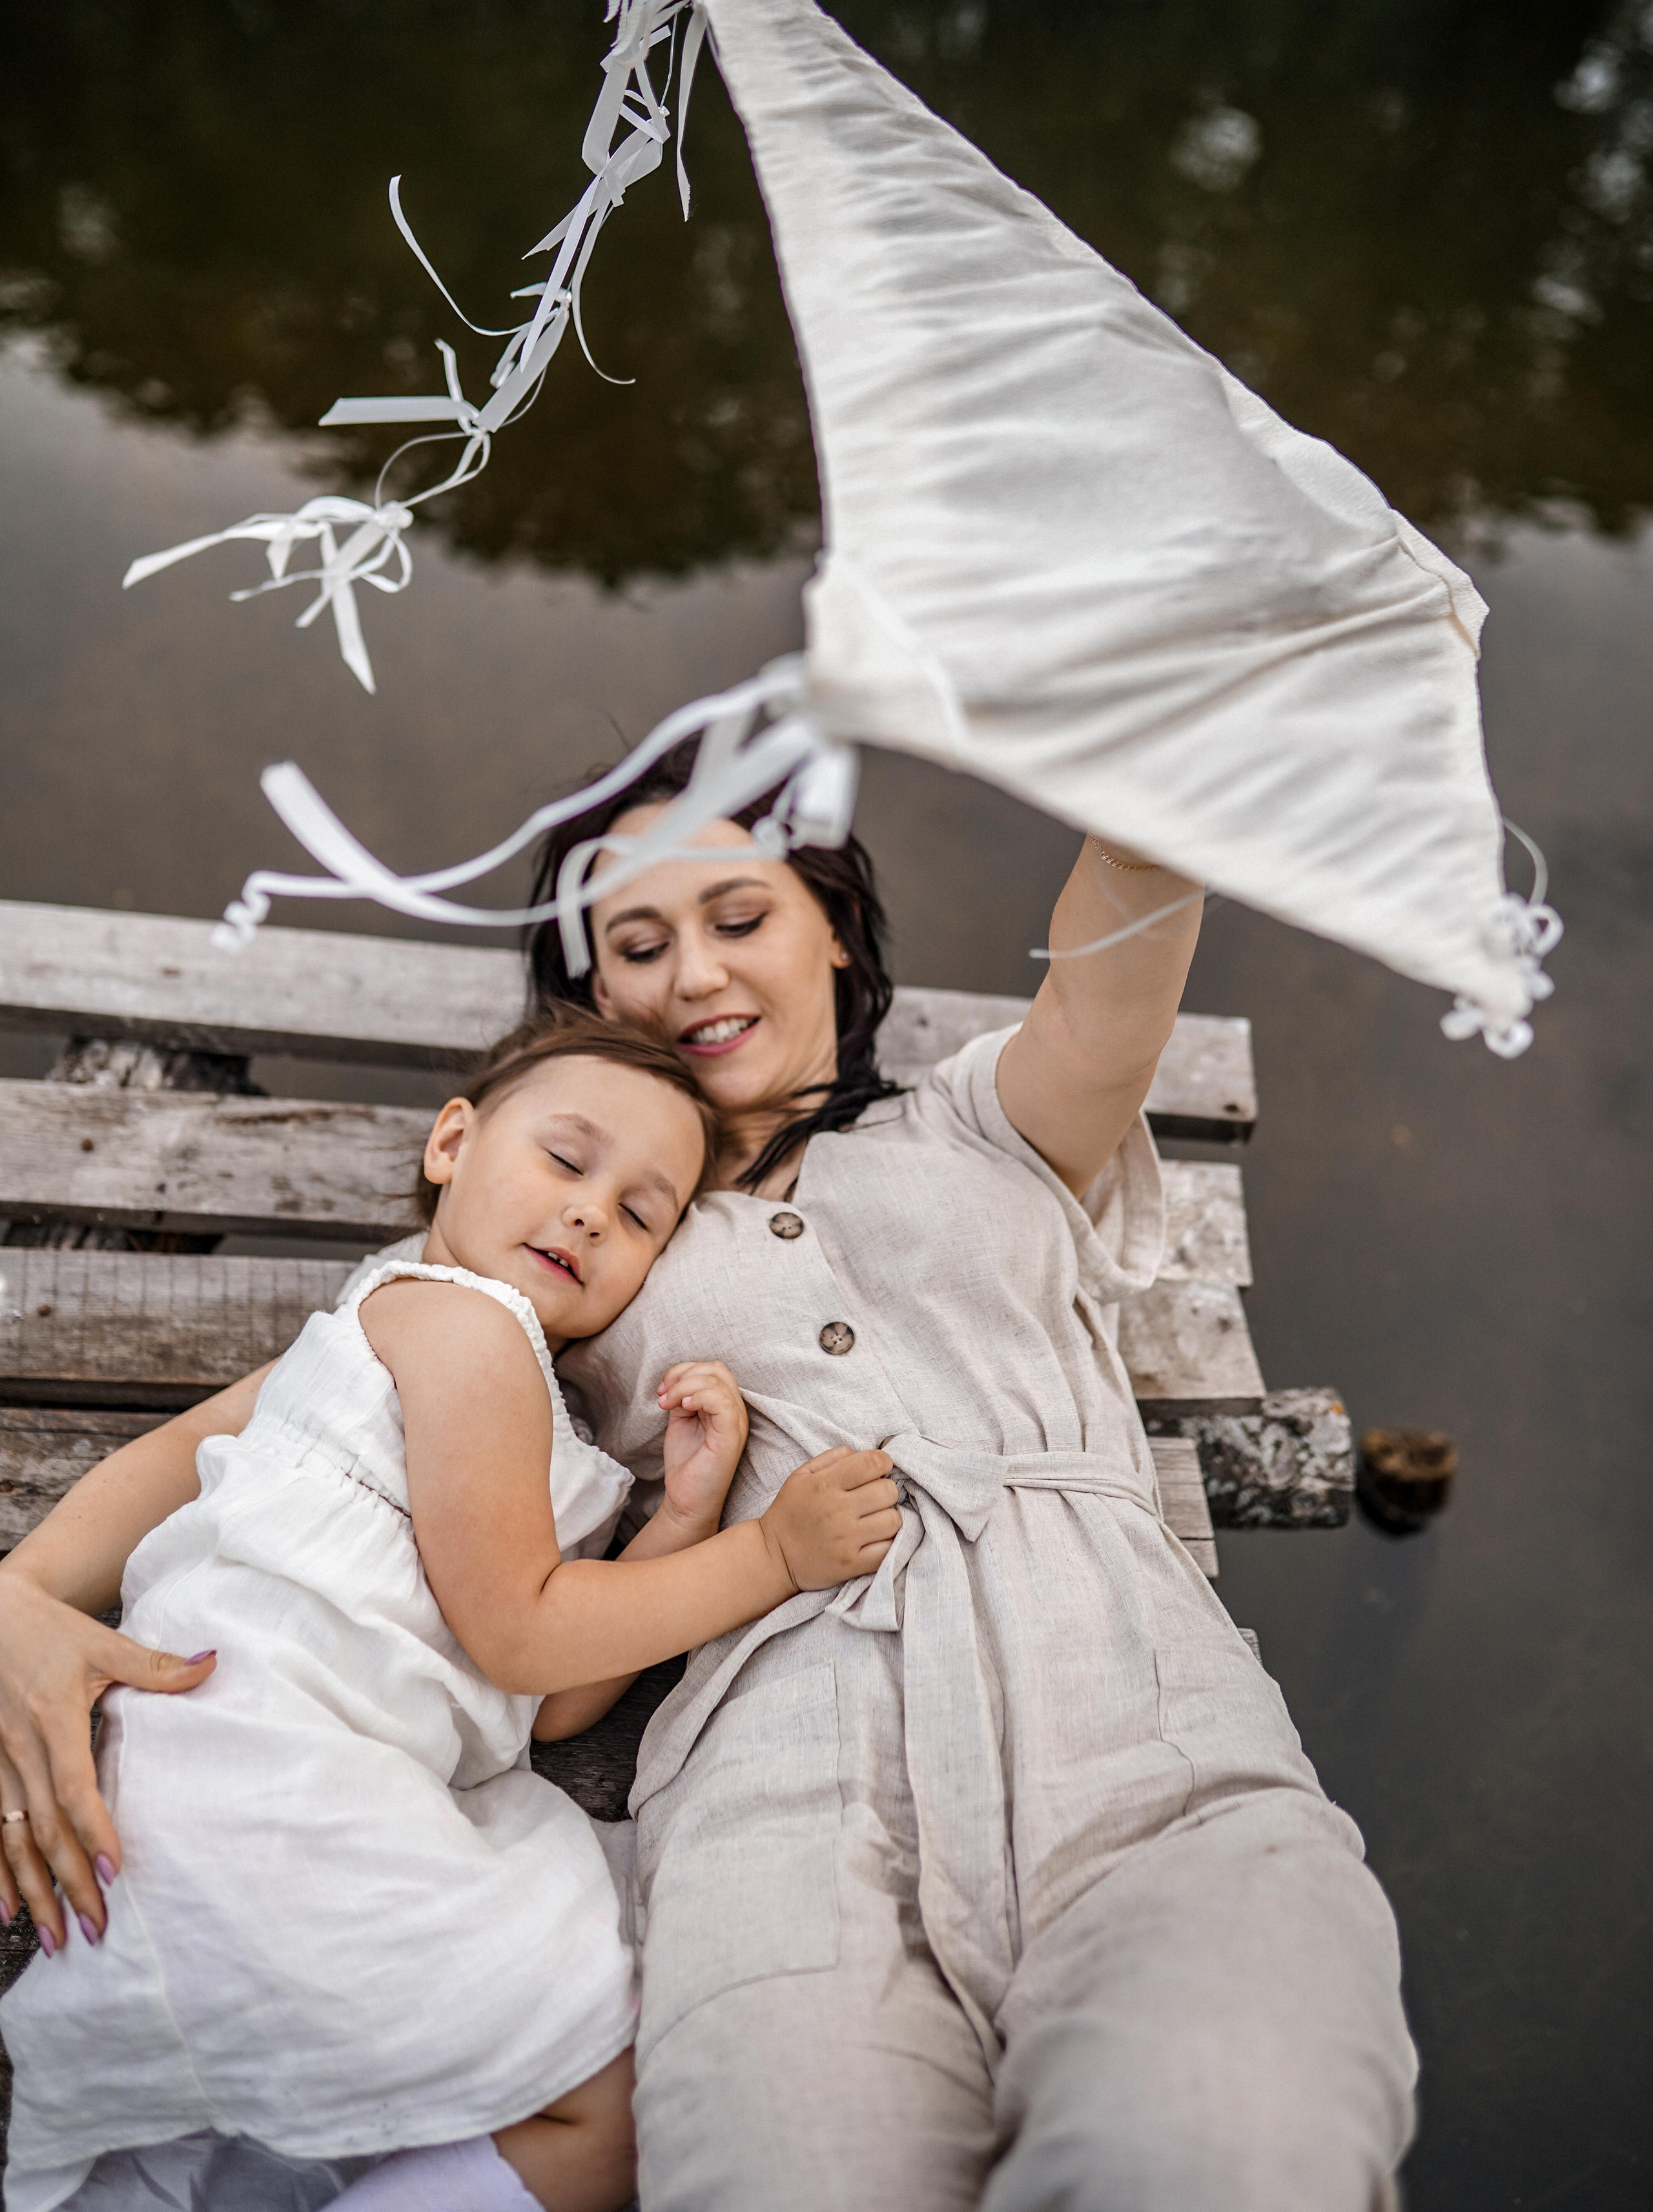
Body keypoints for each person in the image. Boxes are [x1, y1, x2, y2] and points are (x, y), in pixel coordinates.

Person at [0, 760, 1418, 2212]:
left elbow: (1110, 986)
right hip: (781, 1788)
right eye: (636, 945)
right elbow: (264, 1426)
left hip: (1132, 1715)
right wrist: (20, 1597)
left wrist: (1151, 779)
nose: (693, 971)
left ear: (835, 936)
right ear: (589, 1004)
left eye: (740, 915)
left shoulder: (976, 1127)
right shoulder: (561, 1268)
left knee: (1226, 2150)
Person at [0, 1009, 900, 2212]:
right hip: (271, 1787)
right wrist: (768, 1555)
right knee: (609, 2089)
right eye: (566, 1161)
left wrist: (673, 1520)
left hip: (204, 1802)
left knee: (188, 2164)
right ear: (451, 1144)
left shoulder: (426, 1343)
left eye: (642, 1214)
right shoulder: (466, 1331)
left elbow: (544, 1702)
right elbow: (520, 1628)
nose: (592, 1210)